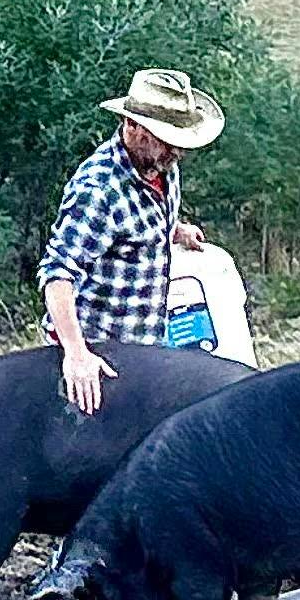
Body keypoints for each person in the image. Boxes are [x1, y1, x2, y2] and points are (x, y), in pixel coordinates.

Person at [41, 67, 232, 415]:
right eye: (167, 139)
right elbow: (57, 274)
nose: (177, 152)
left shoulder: (160, 164)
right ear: (134, 127)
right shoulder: (98, 191)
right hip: (101, 352)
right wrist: (77, 353)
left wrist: (173, 229)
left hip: (146, 343)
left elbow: (135, 223)